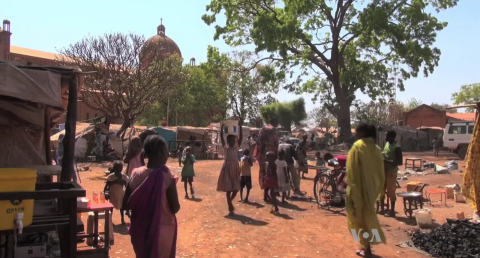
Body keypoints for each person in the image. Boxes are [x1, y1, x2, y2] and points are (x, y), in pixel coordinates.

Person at [128, 135, 180, 258]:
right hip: (162, 231)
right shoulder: (166, 176)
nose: (168, 154)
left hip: (140, 230)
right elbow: (175, 207)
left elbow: (127, 202)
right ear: (161, 152)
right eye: (166, 150)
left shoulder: (135, 173)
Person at [346, 124, 386, 257]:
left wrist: (351, 189)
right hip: (372, 189)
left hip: (358, 189)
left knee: (355, 218)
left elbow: (352, 171)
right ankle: (369, 244)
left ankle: (365, 247)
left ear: (362, 133)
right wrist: (378, 189)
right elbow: (380, 171)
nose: (355, 134)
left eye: (356, 131)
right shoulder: (376, 149)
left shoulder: (358, 146)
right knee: (369, 216)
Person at [217, 120, 243, 216]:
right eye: (230, 141)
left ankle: (230, 202)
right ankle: (229, 205)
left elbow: (241, 137)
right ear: (228, 142)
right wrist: (222, 127)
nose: (232, 142)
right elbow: (221, 137)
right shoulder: (225, 148)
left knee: (236, 188)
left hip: (235, 170)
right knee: (228, 189)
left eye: (234, 140)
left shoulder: (236, 148)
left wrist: (240, 127)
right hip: (227, 169)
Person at [254, 118, 280, 202]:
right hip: (268, 156)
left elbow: (259, 143)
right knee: (269, 174)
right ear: (273, 122)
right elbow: (275, 144)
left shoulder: (263, 130)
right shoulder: (270, 129)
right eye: (276, 122)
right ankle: (268, 193)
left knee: (264, 173)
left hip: (263, 156)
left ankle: (267, 193)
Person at [378, 130, 403, 217]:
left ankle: (392, 211)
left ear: (392, 137)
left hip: (391, 172)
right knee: (381, 189)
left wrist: (386, 161)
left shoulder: (397, 147)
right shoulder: (387, 144)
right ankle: (382, 209)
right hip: (383, 170)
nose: (385, 138)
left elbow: (399, 162)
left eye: (387, 136)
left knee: (391, 191)